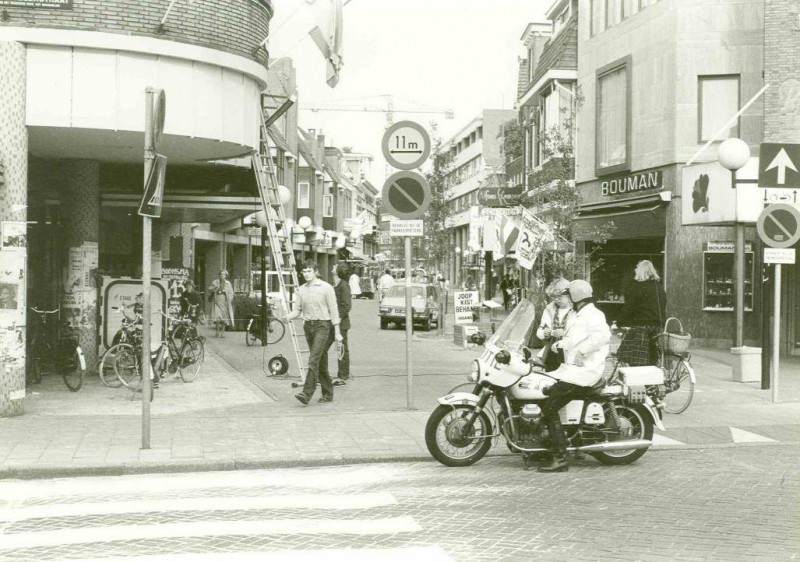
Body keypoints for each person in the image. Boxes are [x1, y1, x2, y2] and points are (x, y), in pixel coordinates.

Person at [538, 279, 611, 473]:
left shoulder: (594, 314)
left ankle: (560, 458)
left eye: (569, 295)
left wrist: (582, 351)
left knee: (549, 408)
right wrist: (559, 345)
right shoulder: (579, 315)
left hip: (584, 373)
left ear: (576, 297)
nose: (567, 298)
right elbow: (573, 339)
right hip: (572, 370)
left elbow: (602, 336)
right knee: (543, 390)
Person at [286, 261, 343, 405]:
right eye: (304, 271)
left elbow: (334, 310)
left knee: (313, 359)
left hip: (323, 326)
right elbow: (297, 310)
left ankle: (306, 393)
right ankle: (328, 393)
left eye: (309, 271)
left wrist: (337, 333)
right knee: (320, 360)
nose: (306, 274)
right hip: (308, 327)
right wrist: (287, 317)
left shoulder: (326, 288)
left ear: (315, 271)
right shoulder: (301, 289)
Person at [617, 260, 667, 366]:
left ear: (640, 271)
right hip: (658, 326)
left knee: (629, 354)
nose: (635, 270)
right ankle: (652, 368)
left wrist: (619, 322)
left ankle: (636, 373)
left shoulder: (636, 287)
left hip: (641, 325)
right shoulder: (659, 287)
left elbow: (629, 307)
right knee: (651, 353)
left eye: (637, 269)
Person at [535, 277, 573, 371]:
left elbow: (579, 331)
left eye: (560, 297)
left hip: (569, 350)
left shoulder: (575, 311)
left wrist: (564, 333)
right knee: (550, 373)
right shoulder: (549, 309)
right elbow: (541, 329)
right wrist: (544, 333)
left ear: (569, 296)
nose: (557, 299)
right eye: (555, 297)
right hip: (551, 351)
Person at [327, 263, 352, 387]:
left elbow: (346, 306)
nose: (333, 266)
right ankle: (323, 374)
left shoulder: (344, 286)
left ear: (338, 271)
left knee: (341, 349)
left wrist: (336, 319)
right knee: (322, 347)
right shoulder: (333, 285)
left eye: (335, 266)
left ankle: (343, 376)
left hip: (340, 325)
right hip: (331, 323)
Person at [208, 270, 234, 338]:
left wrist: (228, 295)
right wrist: (215, 287)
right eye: (221, 274)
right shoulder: (215, 282)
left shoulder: (228, 283)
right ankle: (217, 331)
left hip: (225, 302)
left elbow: (231, 293)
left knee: (224, 318)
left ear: (226, 276)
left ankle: (223, 332)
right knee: (217, 317)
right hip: (216, 302)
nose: (222, 276)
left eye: (223, 274)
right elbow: (209, 288)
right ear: (219, 275)